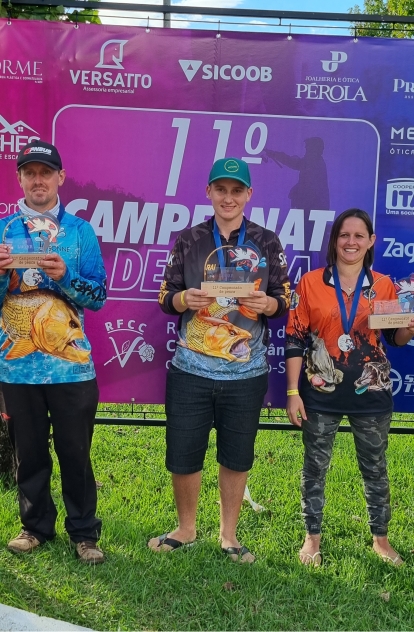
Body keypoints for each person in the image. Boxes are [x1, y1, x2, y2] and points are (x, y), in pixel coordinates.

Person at [0, 140, 108, 564]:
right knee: (29, 454)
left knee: (75, 454)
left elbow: (99, 295)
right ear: (20, 179)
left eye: (45, 172)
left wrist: (66, 276)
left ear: (60, 178)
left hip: (72, 368)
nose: (37, 180)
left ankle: (84, 533)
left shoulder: (80, 231)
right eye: (29, 172)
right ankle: (34, 527)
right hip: (17, 367)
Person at [152, 157, 291, 563]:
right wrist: (183, 299)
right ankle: (187, 527)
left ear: (248, 195)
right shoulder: (189, 239)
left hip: (246, 371)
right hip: (191, 368)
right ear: (209, 192)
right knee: (183, 450)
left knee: (236, 453)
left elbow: (285, 299)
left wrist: (268, 302)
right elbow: (165, 297)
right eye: (221, 189)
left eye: (236, 190)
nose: (228, 198)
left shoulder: (266, 241)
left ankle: (229, 535)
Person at [285, 208, 414, 566]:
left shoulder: (383, 285)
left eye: (359, 236)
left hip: (372, 391)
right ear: (335, 241)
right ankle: (311, 540)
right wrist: (292, 392)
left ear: (371, 242)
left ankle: (381, 540)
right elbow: (294, 340)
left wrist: (412, 327)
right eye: (344, 235)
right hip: (321, 391)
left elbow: (394, 337)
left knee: (375, 468)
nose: (351, 242)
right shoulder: (310, 283)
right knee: (314, 469)